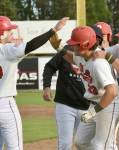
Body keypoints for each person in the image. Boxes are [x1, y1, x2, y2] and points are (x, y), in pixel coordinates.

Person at [0, 16, 68, 150]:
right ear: (1, 33)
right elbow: (31, 45)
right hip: (5, 104)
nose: (12, 33)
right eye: (9, 30)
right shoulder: (6, 50)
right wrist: (53, 30)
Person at [60, 25, 118, 150]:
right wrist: (58, 48)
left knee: (102, 146)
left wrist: (93, 112)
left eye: (75, 43)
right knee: (81, 142)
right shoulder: (81, 55)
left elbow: (112, 91)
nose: (72, 45)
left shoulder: (98, 63)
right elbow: (70, 57)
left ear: (85, 45)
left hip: (108, 105)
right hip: (94, 104)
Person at [42, 46, 91, 150]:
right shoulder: (67, 50)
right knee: (65, 144)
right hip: (65, 105)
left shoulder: (92, 53)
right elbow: (49, 67)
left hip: (87, 107)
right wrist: (47, 86)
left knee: (84, 144)